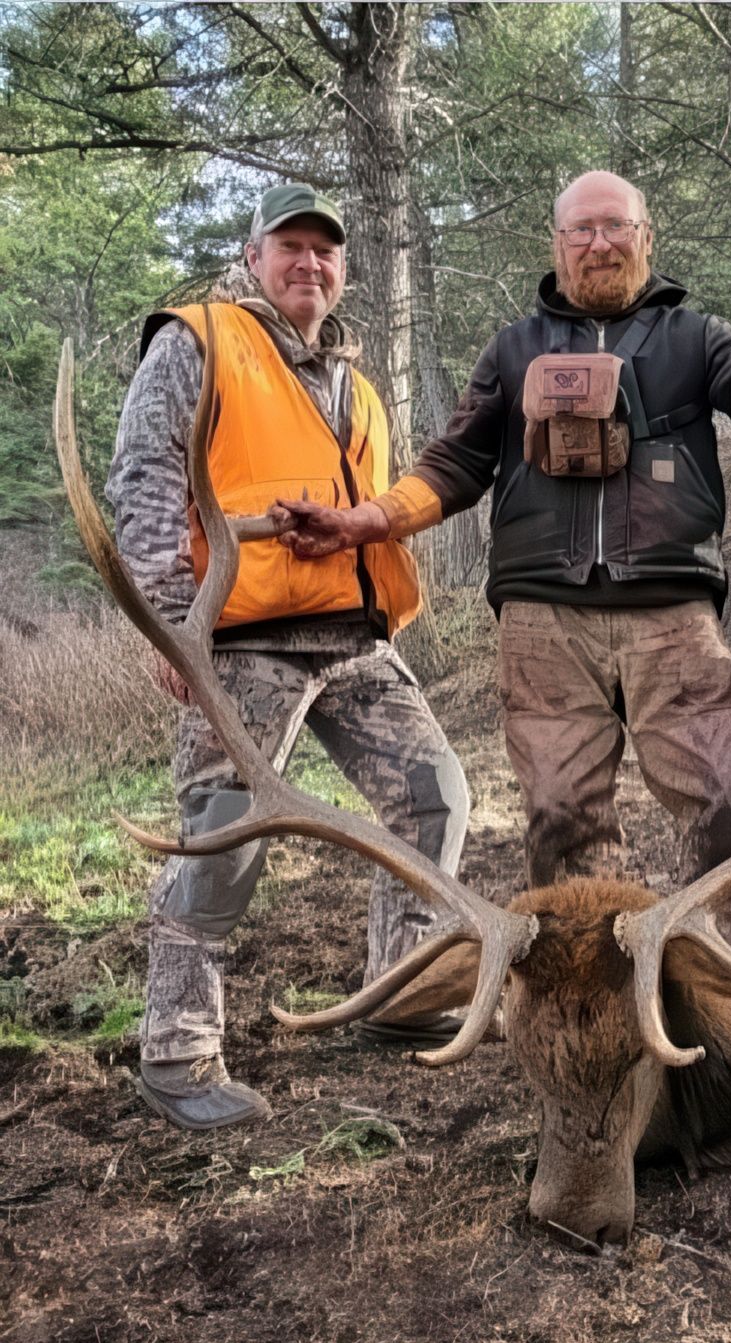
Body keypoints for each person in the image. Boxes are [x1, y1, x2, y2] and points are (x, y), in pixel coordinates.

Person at [277, 169, 731, 969]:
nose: (600, 243)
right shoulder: (513, 350)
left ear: (646, 239)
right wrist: (369, 520)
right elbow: (455, 463)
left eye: (617, 227)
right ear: (557, 244)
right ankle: (595, 995)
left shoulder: (692, 338)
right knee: (562, 820)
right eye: (582, 229)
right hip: (542, 623)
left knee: (724, 807)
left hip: (672, 618)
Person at [106, 183, 471, 1130]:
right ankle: (178, 1053)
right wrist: (171, 621)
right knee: (222, 839)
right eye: (290, 246)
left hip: (351, 635)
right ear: (253, 256)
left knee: (435, 795)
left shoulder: (351, 377)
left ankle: (404, 991)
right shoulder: (199, 343)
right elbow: (142, 481)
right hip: (239, 638)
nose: (310, 263)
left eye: (325, 250)